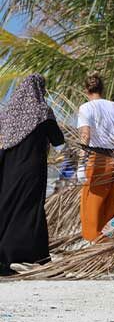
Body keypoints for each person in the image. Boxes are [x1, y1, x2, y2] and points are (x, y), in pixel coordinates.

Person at [0, 74, 65, 276]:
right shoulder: (42, 111)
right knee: (30, 209)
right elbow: (58, 140)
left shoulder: (8, 112)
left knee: (8, 206)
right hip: (32, 168)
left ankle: (10, 254)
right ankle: (29, 254)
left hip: (8, 167)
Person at [77, 73, 114, 241]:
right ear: (102, 89)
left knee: (92, 203)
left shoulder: (86, 108)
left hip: (98, 157)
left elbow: (85, 136)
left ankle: (94, 241)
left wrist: (81, 165)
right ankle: (107, 241)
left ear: (86, 90)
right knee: (112, 201)